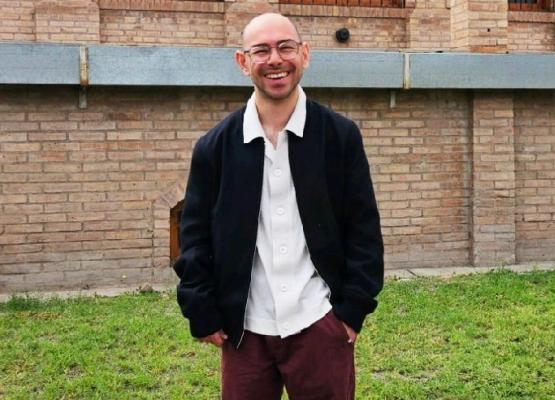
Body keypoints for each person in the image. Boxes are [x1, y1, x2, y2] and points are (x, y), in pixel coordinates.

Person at [174, 12, 384, 400]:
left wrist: (351, 312)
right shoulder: (214, 148)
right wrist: (200, 308)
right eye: (261, 50)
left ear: (304, 54)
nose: (275, 59)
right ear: (243, 62)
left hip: (320, 323)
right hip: (245, 332)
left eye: (285, 47)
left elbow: (363, 230)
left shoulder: (339, 137)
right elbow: (195, 237)